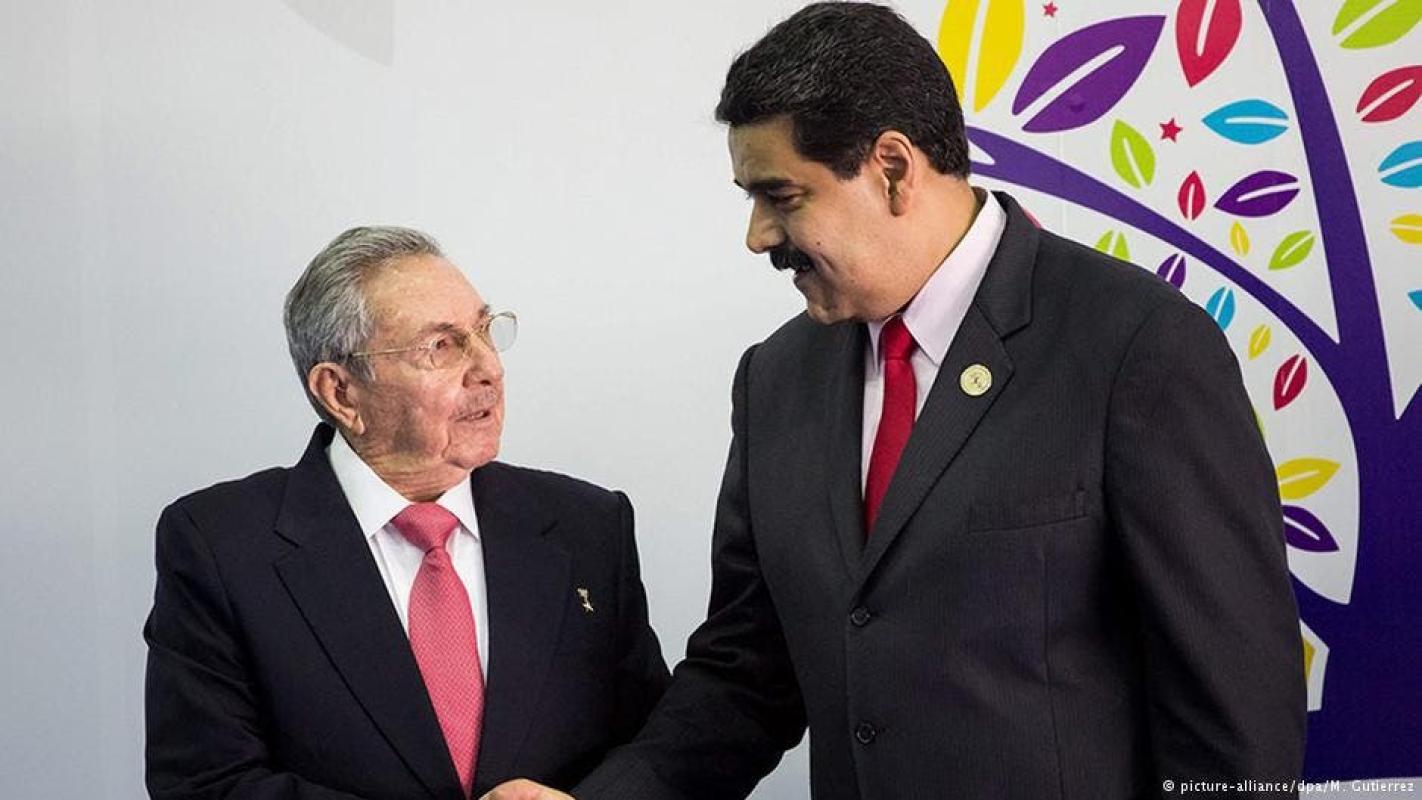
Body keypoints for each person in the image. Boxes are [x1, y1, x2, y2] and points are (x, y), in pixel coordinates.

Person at [486, 4, 1305, 800]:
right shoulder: (776, 379)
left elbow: (1235, 716)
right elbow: (747, 671)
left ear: (892, 169)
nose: (757, 235)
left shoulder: (1136, 347)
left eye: (782, 196)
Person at [144, 226, 670, 799]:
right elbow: (207, 784)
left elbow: (655, 751)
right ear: (341, 393)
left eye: (485, 331)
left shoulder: (588, 525)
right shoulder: (219, 546)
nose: (489, 368)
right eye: (441, 346)